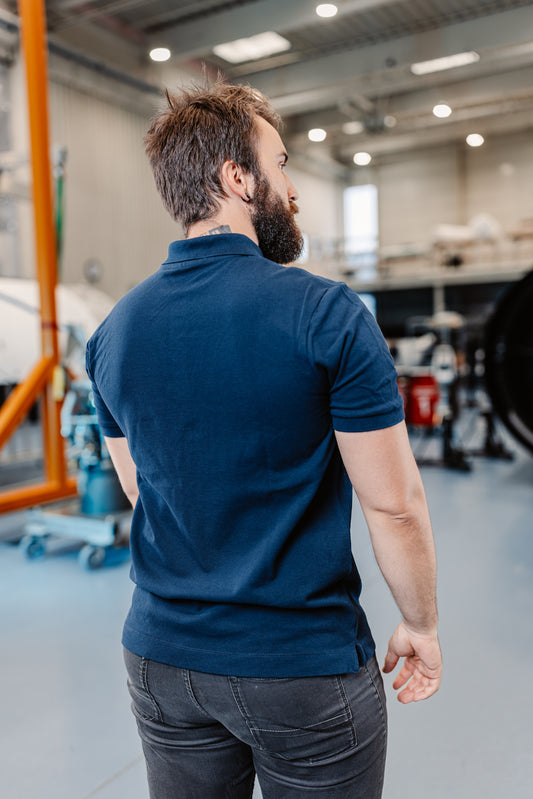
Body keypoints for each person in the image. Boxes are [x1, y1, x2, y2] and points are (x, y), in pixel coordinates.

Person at [85, 82, 442, 799]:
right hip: (300, 670)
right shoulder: (325, 313)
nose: (292, 186)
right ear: (236, 178)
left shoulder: (112, 333)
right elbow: (393, 504)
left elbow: (137, 485)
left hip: (161, 660)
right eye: (278, 163)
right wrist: (419, 622)